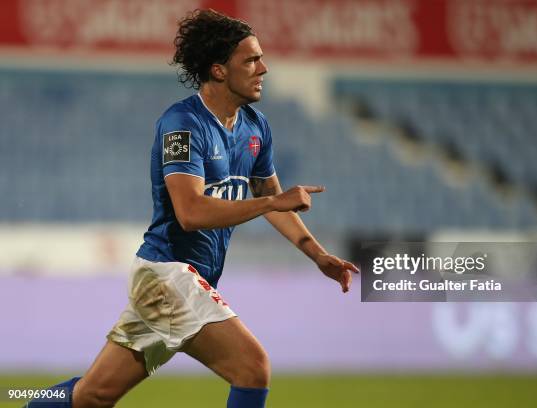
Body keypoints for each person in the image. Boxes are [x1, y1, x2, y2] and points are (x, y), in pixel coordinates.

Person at [27, 8, 359, 408]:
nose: (264, 69)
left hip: (183, 283)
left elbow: (276, 205)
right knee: (253, 368)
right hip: (168, 275)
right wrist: (271, 199)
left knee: (92, 396)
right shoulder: (182, 125)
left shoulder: (256, 127)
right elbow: (191, 212)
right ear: (219, 70)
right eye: (251, 60)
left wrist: (317, 254)